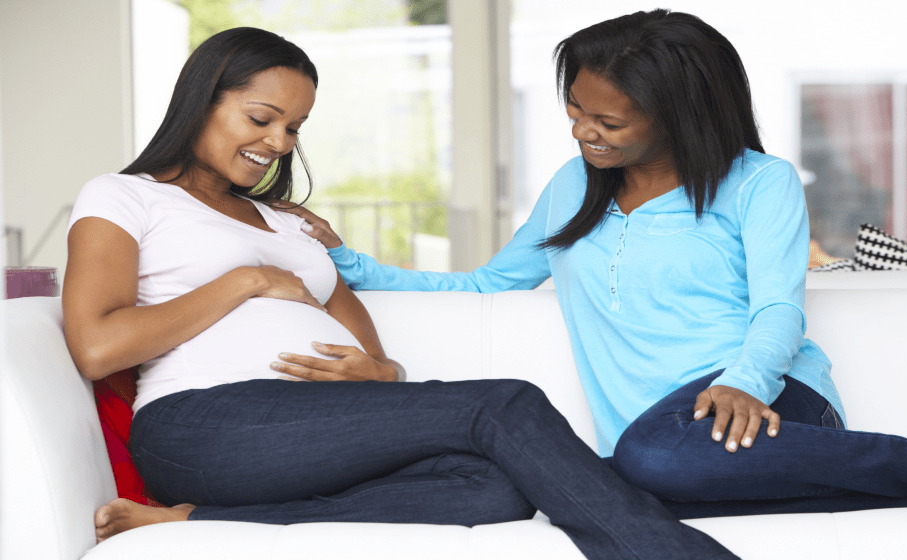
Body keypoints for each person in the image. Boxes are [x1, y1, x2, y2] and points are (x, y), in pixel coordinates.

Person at [285, 9, 907, 518]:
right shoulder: (575, 186)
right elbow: (487, 284)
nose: (583, 131)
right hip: (657, 443)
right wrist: (346, 260)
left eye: (609, 122)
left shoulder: (758, 181)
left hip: (765, 410)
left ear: (680, 114)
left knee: (644, 467)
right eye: (575, 110)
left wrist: (744, 384)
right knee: (622, 482)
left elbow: (779, 306)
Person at [62, 26, 741, 560]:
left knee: (496, 485)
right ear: (202, 100)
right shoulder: (125, 197)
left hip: (315, 429)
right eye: (262, 118)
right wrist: (246, 282)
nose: (278, 143)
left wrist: (379, 371)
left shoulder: (290, 223)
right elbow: (97, 346)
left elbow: (372, 356)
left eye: (294, 128)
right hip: (202, 425)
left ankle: (193, 523)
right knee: (504, 404)